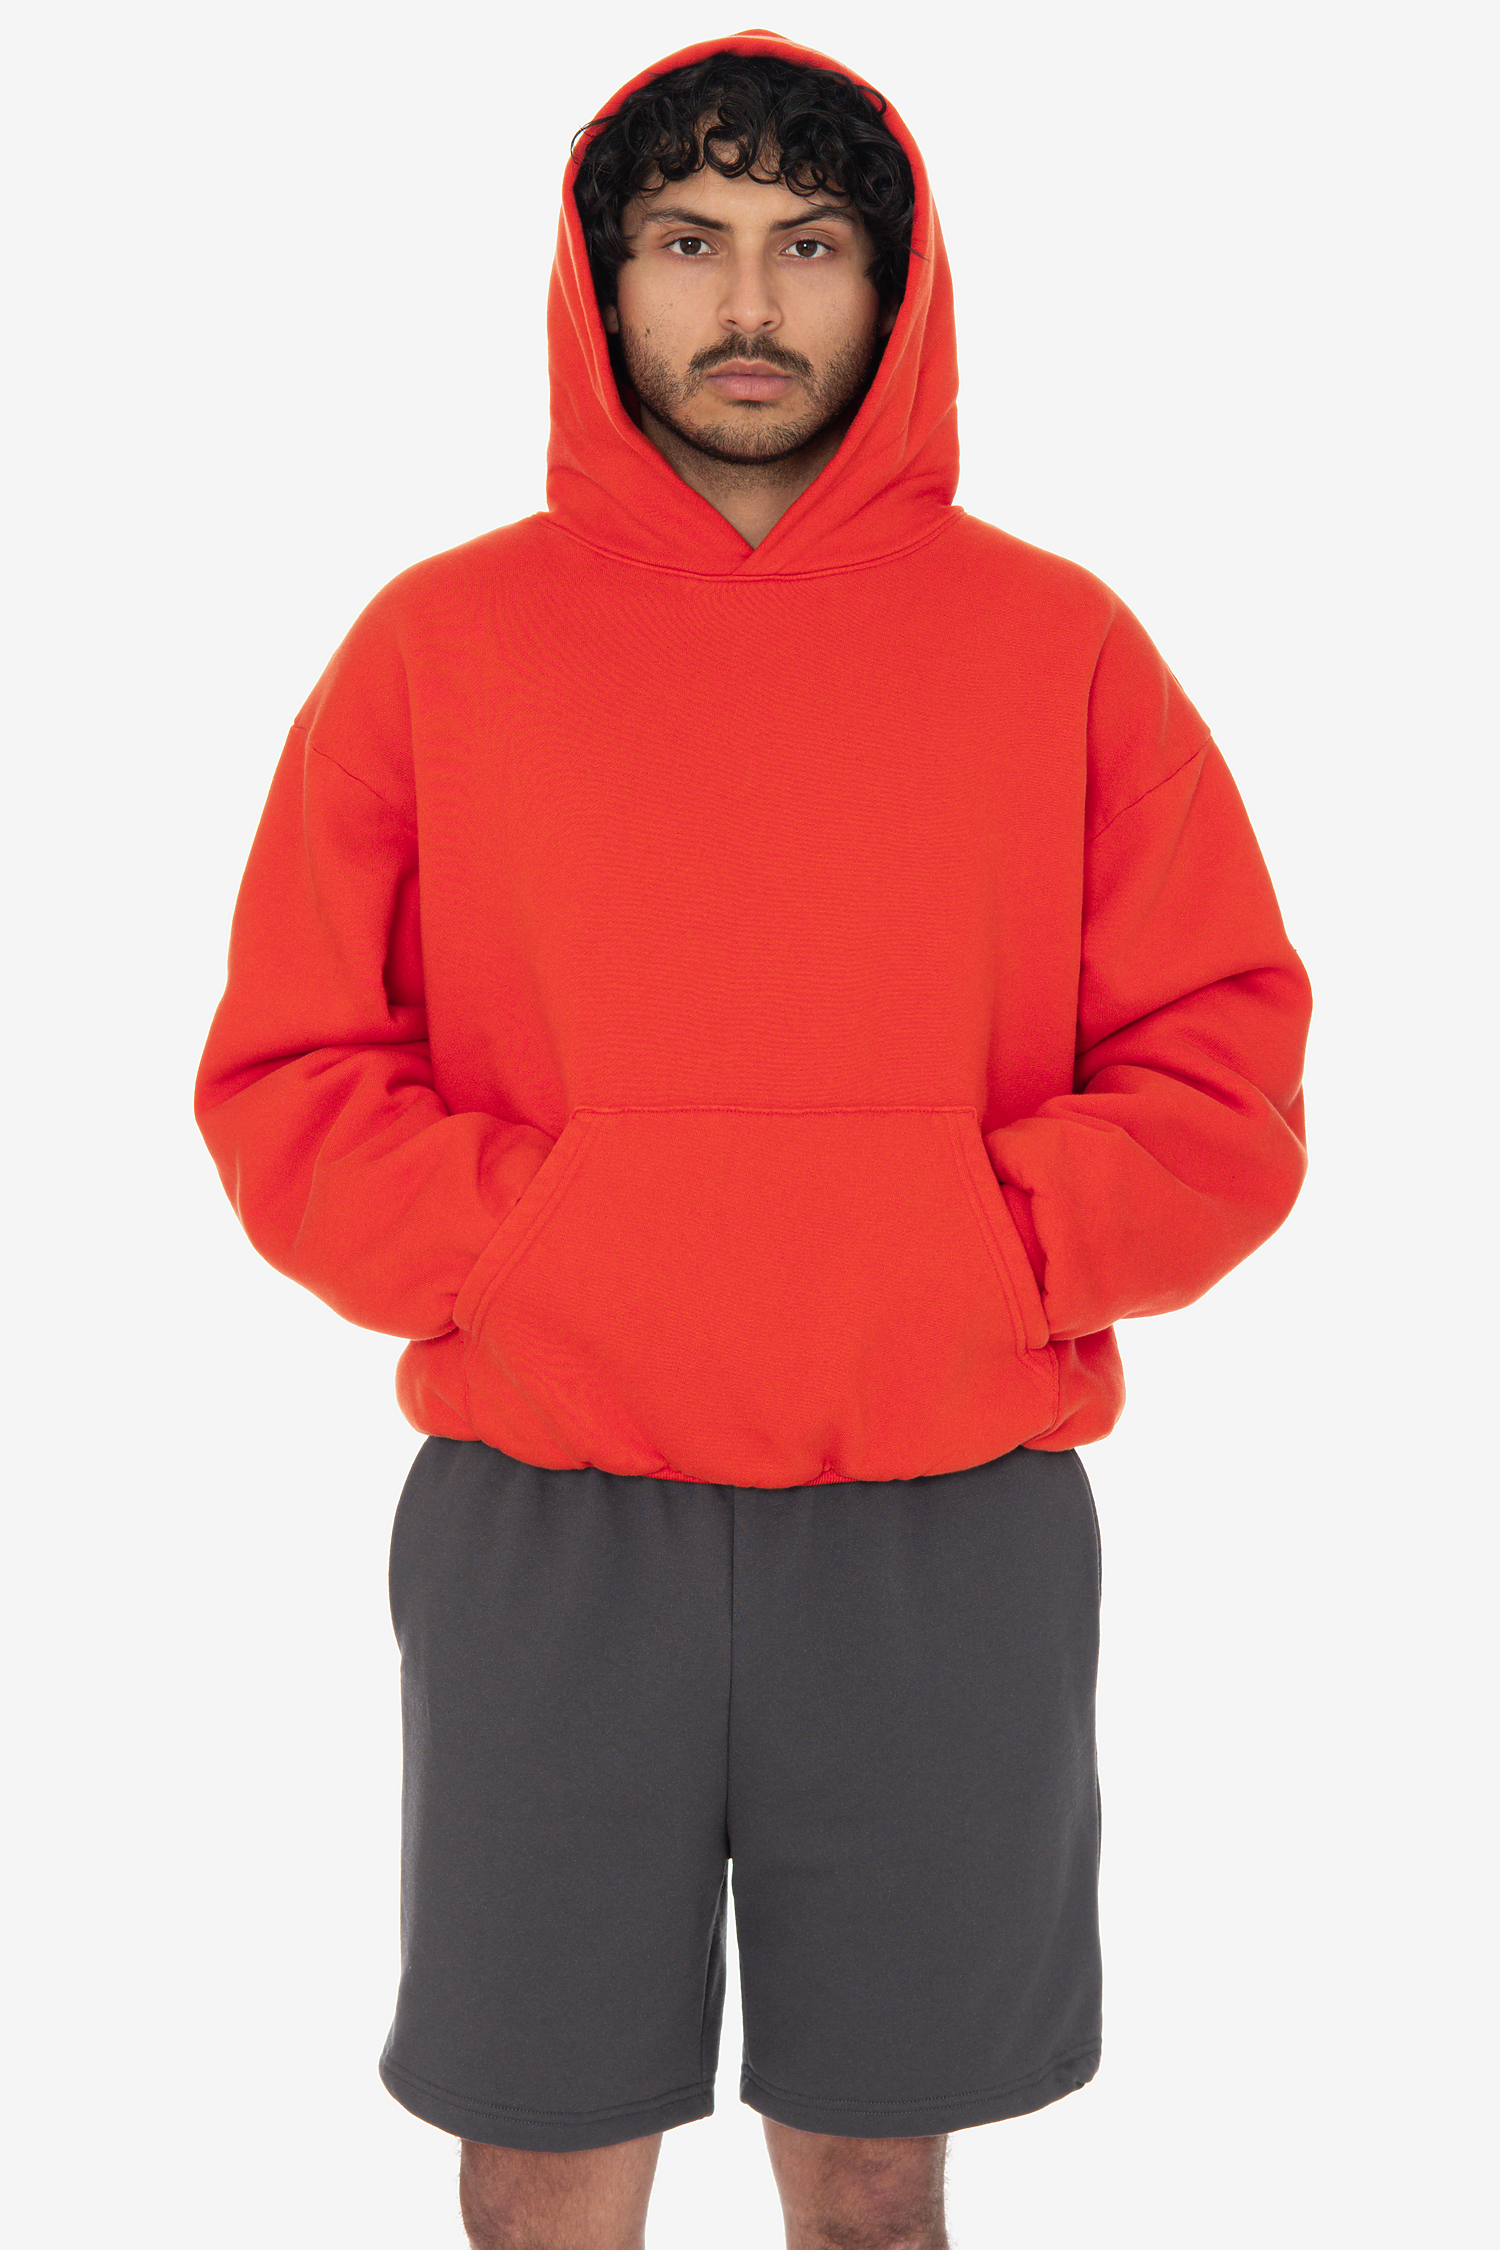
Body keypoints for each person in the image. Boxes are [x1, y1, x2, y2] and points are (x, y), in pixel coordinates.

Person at [193, 29, 1313, 2250]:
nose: (745, 303)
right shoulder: (437, 646)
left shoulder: (1061, 648)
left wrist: (977, 1248)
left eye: (808, 247)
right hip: (552, 1513)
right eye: (685, 241)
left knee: (881, 2182)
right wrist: (532, 1246)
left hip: (940, 1517)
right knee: (536, 2168)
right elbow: (290, 1075)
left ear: (891, 288)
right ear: (599, 281)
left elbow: (1225, 1074)